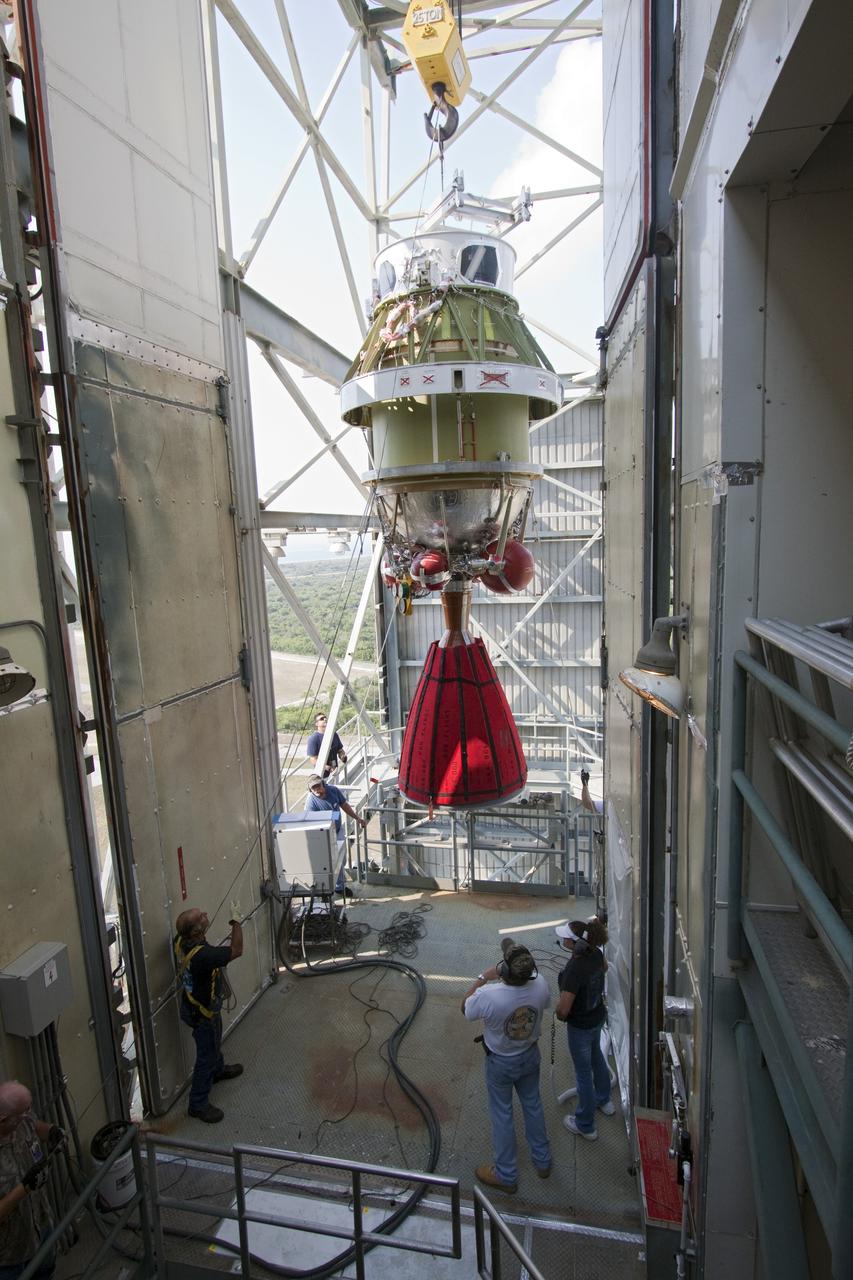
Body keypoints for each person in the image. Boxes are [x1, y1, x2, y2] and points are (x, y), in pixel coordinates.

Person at [461, 939, 552, 1194]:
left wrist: (482, 978)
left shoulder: (489, 995)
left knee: (502, 1114)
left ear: (503, 970)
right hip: (530, 1055)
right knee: (533, 1104)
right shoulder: (541, 985)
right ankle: (542, 1161)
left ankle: (507, 1174)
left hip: (500, 1062)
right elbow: (544, 1005)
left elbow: (464, 1008)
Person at [174, 907, 244, 1123]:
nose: (206, 914)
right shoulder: (203, 956)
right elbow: (236, 950)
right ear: (195, 933)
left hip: (194, 1005)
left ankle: (218, 1069)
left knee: (213, 1043)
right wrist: (236, 923)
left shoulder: (180, 941)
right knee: (206, 1054)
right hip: (202, 1013)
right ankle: (198, 1104)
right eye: (201, 917)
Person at [555, 917, 613, 1140]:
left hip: (580, 1026)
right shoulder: (596, 954)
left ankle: (585, 1124)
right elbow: (605, 968)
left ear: (576, 944)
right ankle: (604, 1100)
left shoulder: (574, 969)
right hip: (597, 1016)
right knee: (597, 1056)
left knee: (582, 1075)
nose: (563, 940)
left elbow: (564, 1009)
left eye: (566, 939)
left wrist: (558, 1014)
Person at [0, 1081, 64, 1279]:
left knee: (46, 1273)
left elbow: (35, 1126)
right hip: (11, 1254)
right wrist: (25, 1188)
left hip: (41, 1225)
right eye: (23, 1113)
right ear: (3, 1119)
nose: (28, 1115)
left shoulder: (21, 1120)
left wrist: (52, 1131)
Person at [305, 774, 367, 896]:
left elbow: (344, 805)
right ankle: (325, 888)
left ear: (323, 784)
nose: (317, 789)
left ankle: (339, 886)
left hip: (338, 831)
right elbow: (311, 822)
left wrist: (358, 818)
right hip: (323, 835)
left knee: (341, 859)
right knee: (326, 861)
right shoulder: (311, 802)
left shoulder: (333, 790)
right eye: (314, 788)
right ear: (310, 790)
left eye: (318, 786)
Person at [306, 713, 347, 778]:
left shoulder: (334, 734)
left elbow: (340, 750)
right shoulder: (313, 738)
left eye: (325, 717)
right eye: (321, 719)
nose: (325, 719)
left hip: (335, 772)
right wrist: (328, 768)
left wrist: (342, 756)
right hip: (323, 776)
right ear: (316, 724)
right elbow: (313, 760)